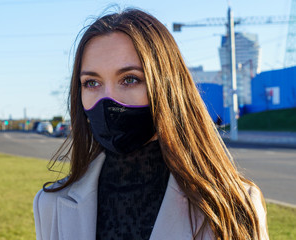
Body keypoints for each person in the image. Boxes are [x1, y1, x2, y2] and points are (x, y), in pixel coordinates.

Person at [33, 8, 269, 240]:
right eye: (92, 83)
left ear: (167, 88)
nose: (108, 99)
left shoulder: (233, 205)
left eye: (130, 79)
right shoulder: (50, 205)